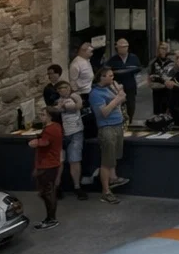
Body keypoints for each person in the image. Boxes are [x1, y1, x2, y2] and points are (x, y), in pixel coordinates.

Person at [89, 67, 129, 203]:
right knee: (106, 160)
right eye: (110, 76)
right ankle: (105, 191)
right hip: (107, 128)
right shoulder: (95, 94)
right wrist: (117, 99)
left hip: (117, 125)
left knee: (114, 156)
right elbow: (103, 112)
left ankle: (113, 178)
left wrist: (119, 93)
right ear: (102, 77)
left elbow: (122, 99)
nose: (113, 78)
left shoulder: (110, 88)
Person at [26, 106, 62, 229]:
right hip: (51, 163)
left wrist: (34, 143)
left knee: (47, 192)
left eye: (43, 114)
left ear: (50, 116)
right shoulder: (56, 126)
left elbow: (45, 142)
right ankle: (50, 217)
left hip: (47, 164)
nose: (40, 116)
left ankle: (51, 219)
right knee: (47, 191)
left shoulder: (49, 130)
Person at [55, 81, 86, 200]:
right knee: (59, 162)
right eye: (60, 88)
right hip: (62, 134)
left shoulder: (74, 96)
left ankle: (77, 187)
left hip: (76, 132)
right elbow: (56, 110)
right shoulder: (58, 100)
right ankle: (57, 187)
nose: (63, 90)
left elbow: (77, 106)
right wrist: (60, 106)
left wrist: (64, 106)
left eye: (65, 87)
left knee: (75, 160)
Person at [103, 37, 142, 124]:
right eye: (121, 47)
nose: (123, 49)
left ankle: (130, 121)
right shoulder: (113, 59)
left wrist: (126, 70)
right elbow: (107, 70)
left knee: (131, 105)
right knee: (118, 105)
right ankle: (120, 122)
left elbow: (138, 68)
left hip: (130, 85)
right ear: (117, 48)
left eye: (125, 47)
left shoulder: (133, 57)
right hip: (117, 87)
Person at [147, 41, 174, 116]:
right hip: (157, 89)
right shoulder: (153, 62)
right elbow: (152, 76)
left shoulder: (171, 62)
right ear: (158, 49)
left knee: (167, 110)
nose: (163, 50)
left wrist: (162, 79)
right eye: (162, 48)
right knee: (157, 112)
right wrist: (162, 80)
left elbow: (171, 76)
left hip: (167, 90)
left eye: (165, 48)